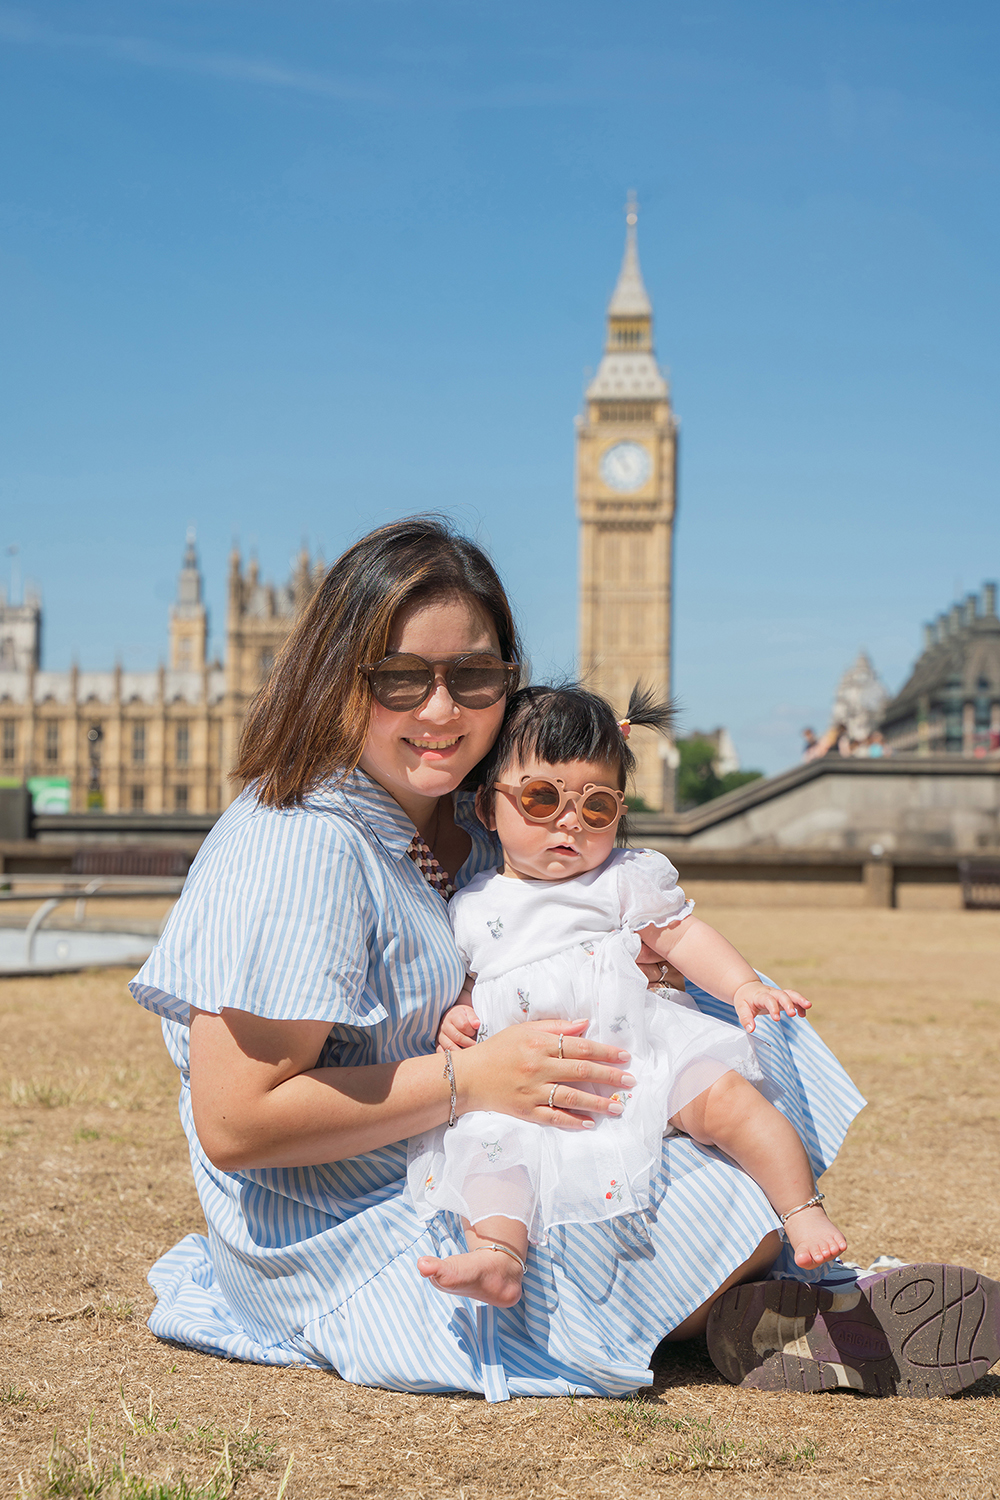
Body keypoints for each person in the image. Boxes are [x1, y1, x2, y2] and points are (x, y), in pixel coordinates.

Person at [129, 516, 1000, 1401]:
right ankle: (784, 1304)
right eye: (400, 677)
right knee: (699, 1205)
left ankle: (764, 1299)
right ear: (336, 676)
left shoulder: (469, 817)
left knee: (738, 1056)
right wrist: (471, 1079)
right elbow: (235, 1126)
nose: (440, 711)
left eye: (473, 677)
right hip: (341, 1220)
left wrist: (633, 971)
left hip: (447, 1141)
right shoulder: (298, 844)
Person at [409, 683, 846, 1307]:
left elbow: (683, 935)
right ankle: (499, 1257)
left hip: (644, 1051)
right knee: (492, 1153)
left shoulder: (622, 879)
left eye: (597, 807)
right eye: (541, 797)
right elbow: (478, 982)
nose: (569, 820)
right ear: (487, 808)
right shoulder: (471, 905)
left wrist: (743, 984)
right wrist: (460, 1013)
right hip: (537, 1087)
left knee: (730, 1102)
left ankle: (800, 1209)